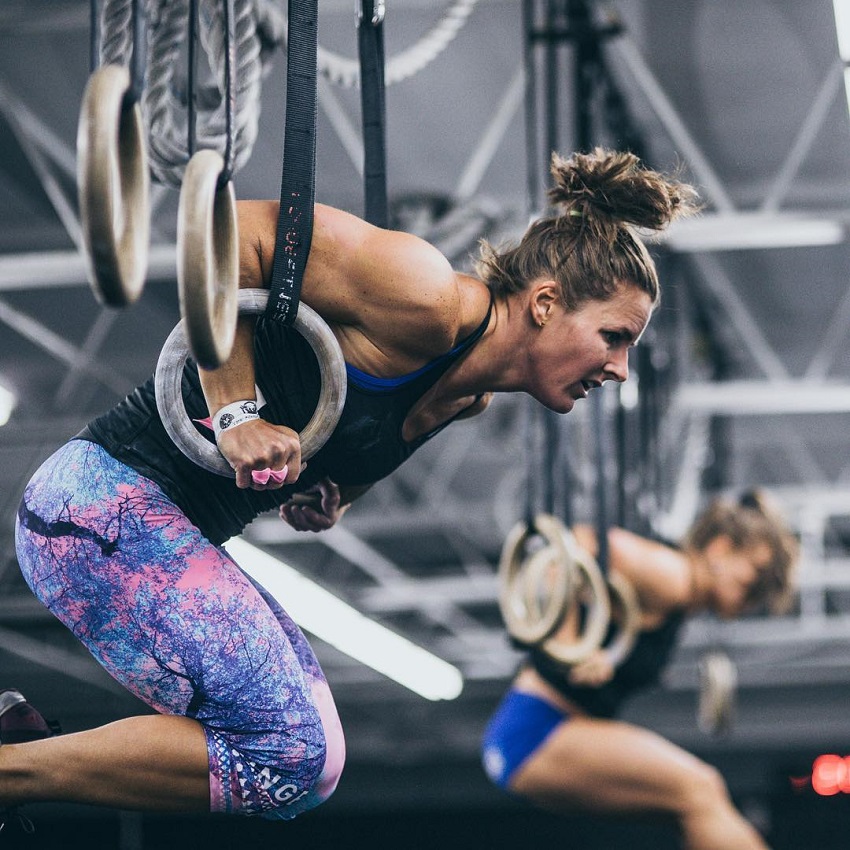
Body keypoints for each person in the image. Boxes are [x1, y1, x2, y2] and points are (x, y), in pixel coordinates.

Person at [3, 148, 697, 824]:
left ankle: (20, 760)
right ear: (545, 303)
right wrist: (236, 408)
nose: (620, 369)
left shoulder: (465, 399)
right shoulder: (425, 297)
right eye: (614, 337)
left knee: (297, 759)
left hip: (138, 526)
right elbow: (224, 230)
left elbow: (341, 414)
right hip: (94, 509)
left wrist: (325, 486)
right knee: (292, 753)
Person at [481, 490, 799, 850]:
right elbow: (573, 545)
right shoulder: (673, 575)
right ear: (720, 549)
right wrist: (570, 643)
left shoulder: (683, 598)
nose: (756, 591)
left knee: (691, 805)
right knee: (699, 788)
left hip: (546, 733)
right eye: (755, 573)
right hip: (536, 731)